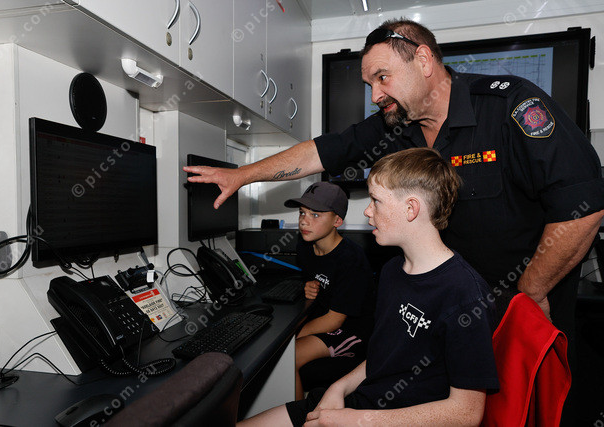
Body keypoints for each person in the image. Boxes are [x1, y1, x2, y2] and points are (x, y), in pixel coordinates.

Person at [184, 19, 604, 351]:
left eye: (382, 77)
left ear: (423, 60)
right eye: (369, 84)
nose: (375, 95)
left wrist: (532, 290)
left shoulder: (510, 105)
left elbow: (583, 206)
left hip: (521, 312)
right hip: (450, 311)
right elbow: (320, 153)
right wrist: (243, 175)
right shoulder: (396, 124)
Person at [239, 147, 499, 427]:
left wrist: (357, 420)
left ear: (411, 209)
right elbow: (381, 359)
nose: (367, 211)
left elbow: (466, 413)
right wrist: (339, 387)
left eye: (376, 201)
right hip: (362, 404)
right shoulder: (392, 271)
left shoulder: (465, 294)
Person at [283, 181, 375, 400]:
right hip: (328, 322)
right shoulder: (305, 246)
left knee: (288, 357)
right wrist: (309, 285)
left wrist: (290, 337)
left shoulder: (351, 259)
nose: (304, 220)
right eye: (302, 212)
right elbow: (319, 280)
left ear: (337, 221)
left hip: (352, 331)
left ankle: (299, 415)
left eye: (315, 215)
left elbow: (335, 320)